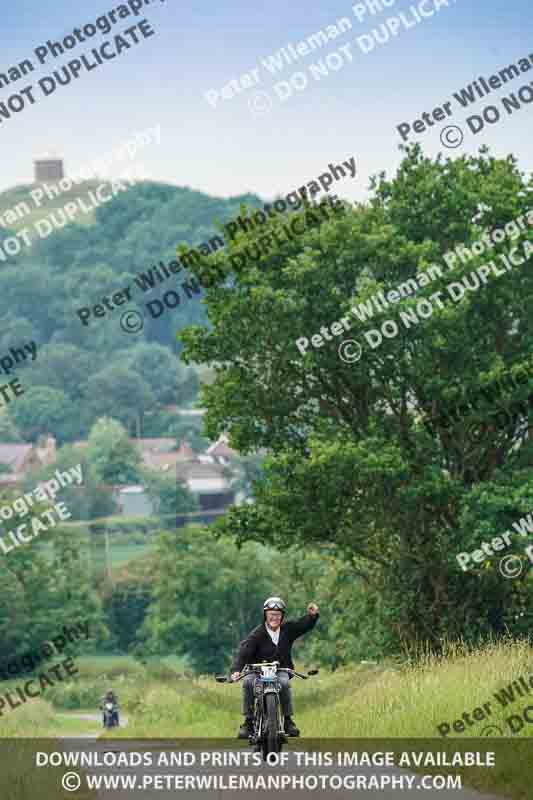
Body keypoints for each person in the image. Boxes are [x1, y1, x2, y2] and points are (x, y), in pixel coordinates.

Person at [231, 596, 319, 739]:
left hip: (280, 670)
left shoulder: (288, 629)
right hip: (257, 671)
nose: (274, 618)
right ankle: (248, 722)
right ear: (265, 615)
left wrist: (312, 616)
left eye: (278, 615)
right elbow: (244, 652)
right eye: (271, 614)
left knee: (284, 683)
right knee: (247, 682)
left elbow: (302, 625)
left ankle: (288, 721)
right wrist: (236, 670)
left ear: (282, 616)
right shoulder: (257, 634)